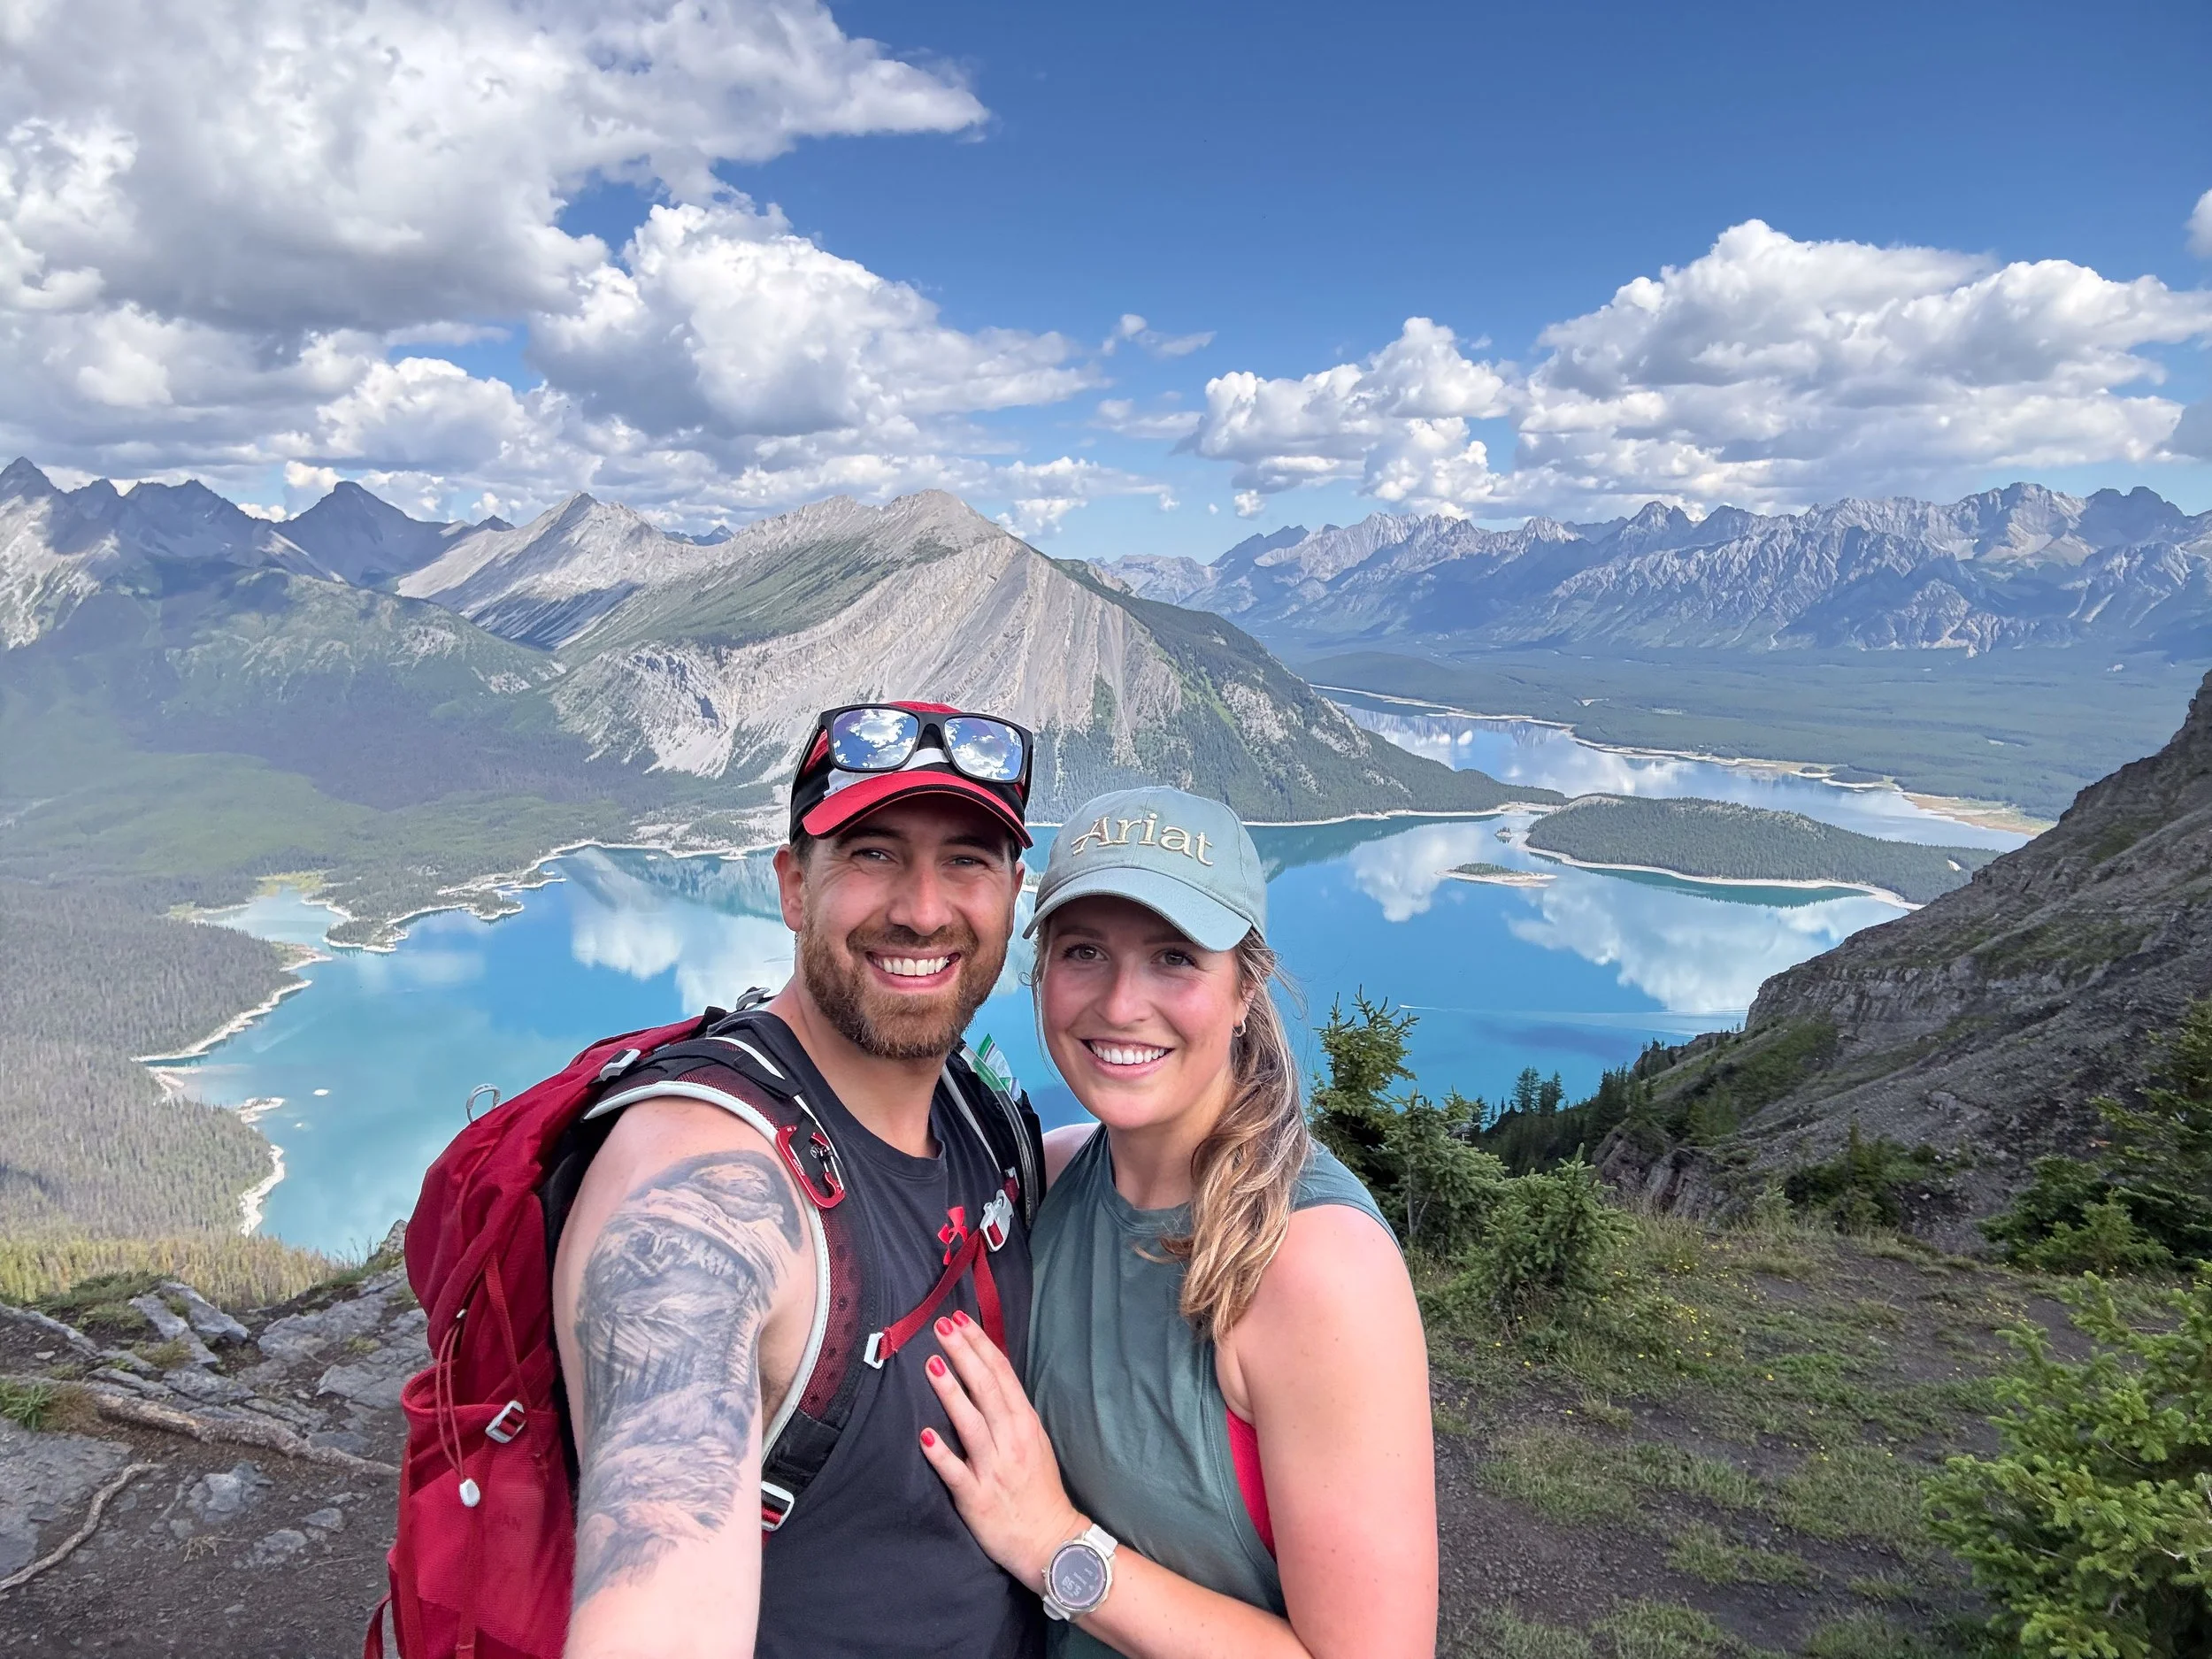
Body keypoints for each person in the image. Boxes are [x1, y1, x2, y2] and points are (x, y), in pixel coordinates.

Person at [550, 702, 1048, 1659]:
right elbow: (657, 1603)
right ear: (791, 886)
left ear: (1012, 894)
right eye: (872, 854)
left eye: (967, 861)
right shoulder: (701, 1186)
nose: (922, 907)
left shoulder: (976, 1111)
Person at [918, 786, 1438, 1657]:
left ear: (1245, 988)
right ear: (1041, 971)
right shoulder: (1055, 1178)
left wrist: (1053, 1544)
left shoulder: (1315, 1267)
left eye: (1173, 958)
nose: (1122, 1005)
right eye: (1084, 951)